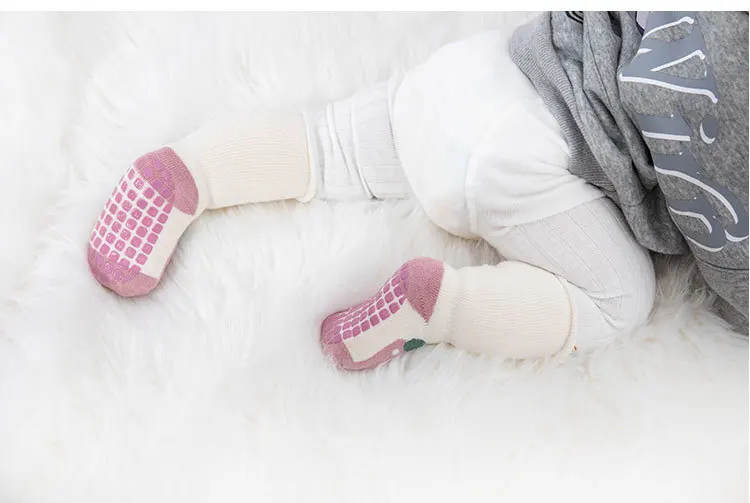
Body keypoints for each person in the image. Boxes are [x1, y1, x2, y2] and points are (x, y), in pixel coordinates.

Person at [87, 12, 747, 370]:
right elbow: (721, 222)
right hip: (528, 163)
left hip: (476, 75)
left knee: (326, 143)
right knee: (617, 301)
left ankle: (190, 172)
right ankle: (439, 308)